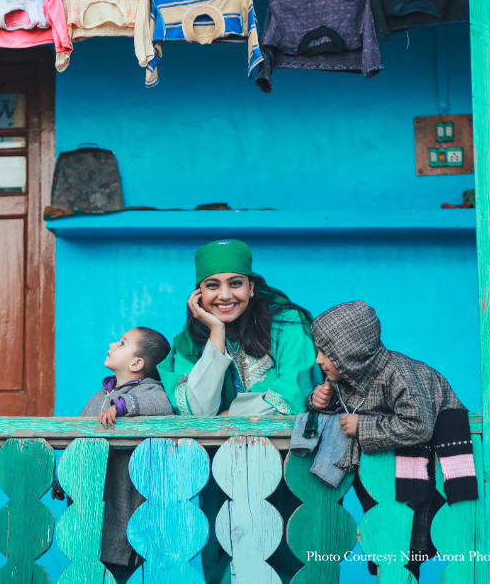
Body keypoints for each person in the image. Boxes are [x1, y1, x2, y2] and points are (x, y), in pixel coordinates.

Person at [157, 239, 320, 583]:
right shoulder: (189, 343)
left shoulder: (287, 324)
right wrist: (216, 334)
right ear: (198, 293)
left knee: (292, 564)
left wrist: (226, 417)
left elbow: (292, 396)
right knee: (226, 566)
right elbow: (197, 411)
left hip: (288, 470)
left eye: (235, 283)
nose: (224, 295)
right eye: (212, 285)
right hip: (222, 476)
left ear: (252, 286)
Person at [308, 300, 477, 580]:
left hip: (425, 467)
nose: (318, 360)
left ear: (351, 352)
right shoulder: (347, 378)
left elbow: (418, 425)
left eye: (326, 352)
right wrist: (319, 402)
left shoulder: (400, 374)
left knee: (409, 537)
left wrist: (363, 426)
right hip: (379, 473)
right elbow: (344, 407)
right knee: (382, 535)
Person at [52, 327, 173, 583]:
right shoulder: (99, 396)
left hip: (123, 497)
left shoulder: (148, 390)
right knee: (88, 559)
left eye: (122, 343)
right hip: (91, 497)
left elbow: (162, 405)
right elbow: (77, 441)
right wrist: (62, 478)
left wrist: (122, 406)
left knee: (118, 560)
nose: (112, 345)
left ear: (136, 363)